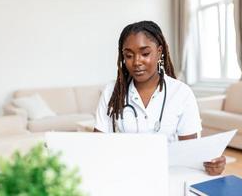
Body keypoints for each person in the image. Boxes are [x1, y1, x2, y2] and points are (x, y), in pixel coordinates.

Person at [94, 20, 225, 176]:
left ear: (159, 51)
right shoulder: (112, 92)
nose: (136, 62)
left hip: (169, 176)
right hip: (124, 174)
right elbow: (97, 145)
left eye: (145, 53)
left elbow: (192, 153)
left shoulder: (181, 93)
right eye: (129, 55)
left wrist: (213, 165)